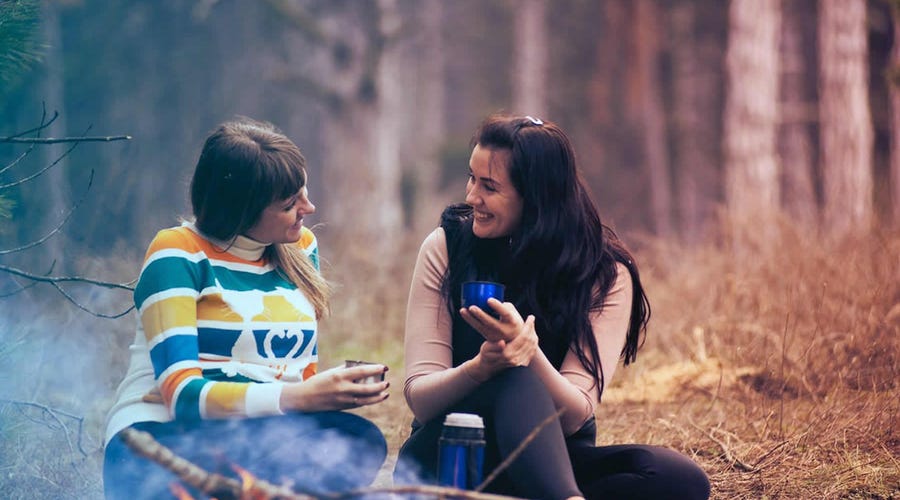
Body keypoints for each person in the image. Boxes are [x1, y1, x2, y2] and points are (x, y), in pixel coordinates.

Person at [393, 114, 710, 499]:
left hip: (551, 462)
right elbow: (421, 399)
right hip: (450, 458)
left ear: (537, 197)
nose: (471, 196)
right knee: (509, 372)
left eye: (489, 187)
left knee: (678, 478)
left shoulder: (604, 272)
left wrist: (530, 354)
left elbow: (576, 413)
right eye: (472, 178)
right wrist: (482, 367)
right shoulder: (446, 248)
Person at [103, 117, 390, 499]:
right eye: (290, 203)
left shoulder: (300, 248)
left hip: (256, 433)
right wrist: (301, 398)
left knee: (358, 439)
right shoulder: (177, 253)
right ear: (241, 211)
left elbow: (297, 371)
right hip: (161, 437)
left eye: (303, 192)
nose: (309, 207)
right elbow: (184, 398)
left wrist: (320, 394)